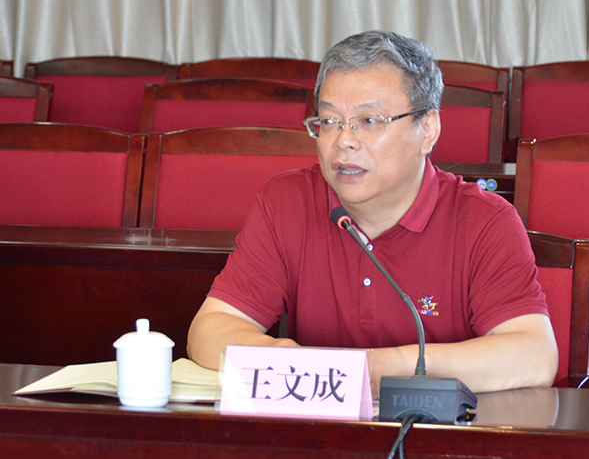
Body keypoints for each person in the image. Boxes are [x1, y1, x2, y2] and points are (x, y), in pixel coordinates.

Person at [187, 30, 558, 393]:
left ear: (428, 130)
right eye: (329, 121)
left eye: (369, 121)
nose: (344, 141)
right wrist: (290, 360)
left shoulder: (484, 220)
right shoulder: (286, 202)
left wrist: (383, 367)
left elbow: (534, 355)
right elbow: (210, 329)